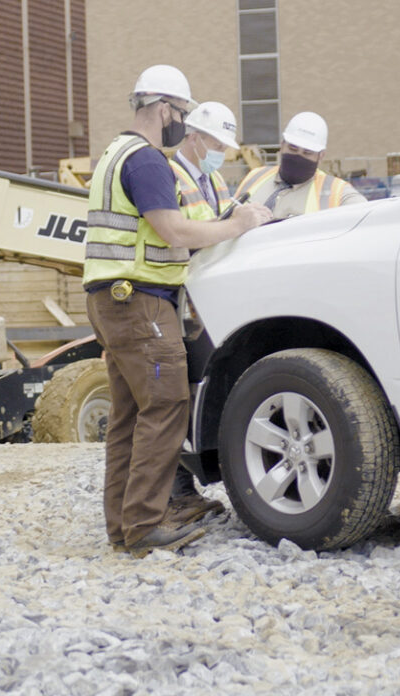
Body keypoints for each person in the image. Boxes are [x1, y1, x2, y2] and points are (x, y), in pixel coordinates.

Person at [84, 66, 272, 558]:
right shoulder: (146, 161)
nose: (181, 123)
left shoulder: (113, 153)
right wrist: (237, 226)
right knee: (167, 405)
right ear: (165, 108)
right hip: (140, 301)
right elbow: (174, 231)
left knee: (130, 415)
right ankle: (145, 525)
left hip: (114, 300)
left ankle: (123, 526)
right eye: (181, 114)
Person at [167, 101, 241, 523]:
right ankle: (175, 490)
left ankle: (183, 489)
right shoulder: (172, 175)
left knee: (191, 390)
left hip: (202, 302)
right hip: (175, 299)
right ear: (193, 136)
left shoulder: (211, 179)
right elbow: (178, 233)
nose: (222, 152)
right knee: (174, 396)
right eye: (216, 142)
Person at [235, 112, 366, 218]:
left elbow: (368, 218)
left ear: (321, 156)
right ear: (282, 145)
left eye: (307, 152)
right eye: (293, 149)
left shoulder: (337, 192)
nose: (298, 156)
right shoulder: (255, 176)